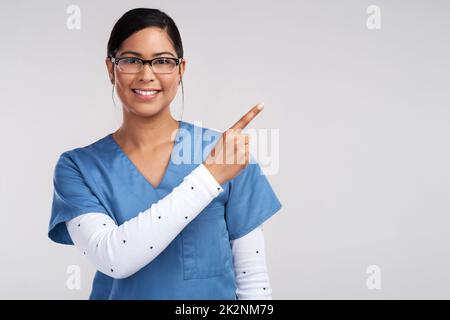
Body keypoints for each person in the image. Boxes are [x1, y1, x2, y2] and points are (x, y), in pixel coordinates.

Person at [48, 8, 282, 300]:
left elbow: (253, 285)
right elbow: (113, 258)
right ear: (111, 69)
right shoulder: (77, 168)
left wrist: (217, 169)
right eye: (131, 60)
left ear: (181, 70)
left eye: (162, 61)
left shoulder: (227, 155)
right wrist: (209, 178)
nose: (147, 75)